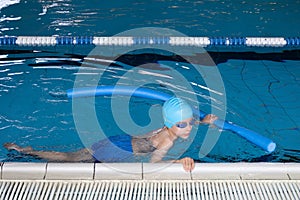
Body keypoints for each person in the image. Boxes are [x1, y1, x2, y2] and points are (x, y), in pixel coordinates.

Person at [4, 97, 217, 172]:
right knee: (70, 160)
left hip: (120, 139)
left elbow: (185, 122)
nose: (188, 128)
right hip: (117, 150)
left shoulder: (167, 127)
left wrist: (203, 121)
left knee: (73, 155)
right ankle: (27, 152)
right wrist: (178, 160)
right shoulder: (167, 142)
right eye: (183, 124)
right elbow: (153, 165)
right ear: (171, 125)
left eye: (189, 123)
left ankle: (30, 151)